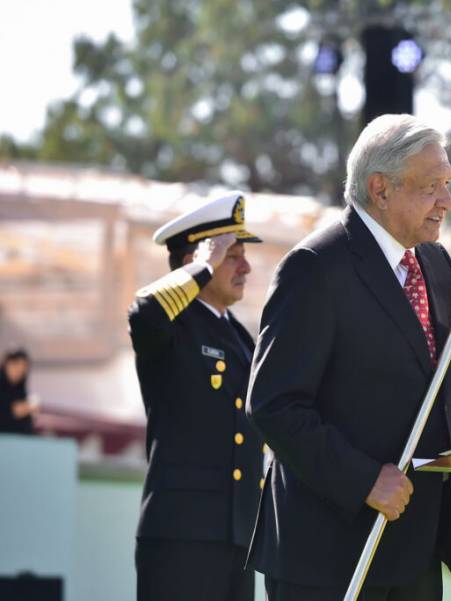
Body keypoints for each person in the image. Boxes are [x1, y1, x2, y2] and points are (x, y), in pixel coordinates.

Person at [245, 114, 451, 600]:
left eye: (448, 184)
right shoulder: (314, 268)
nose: (447, 202)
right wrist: (363, 479)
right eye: (432, 186)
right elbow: (274, 406)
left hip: (413, 552)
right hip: (328, 556)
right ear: (380, 188)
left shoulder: (433, 262)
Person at [128, 193, 266, 601]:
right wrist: (203, 267)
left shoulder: (240, 337)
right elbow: (144, 311)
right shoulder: (172, 325)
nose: (245, 267)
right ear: (196, 260)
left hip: (237, 540)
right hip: (180, 537)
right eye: (231, 255)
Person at [0, 348, 38, 435]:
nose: (20, 370)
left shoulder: (19, 386)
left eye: (24, 366)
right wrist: (17, 411)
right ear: (6, 364)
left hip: (21, 438)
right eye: (16, 364)